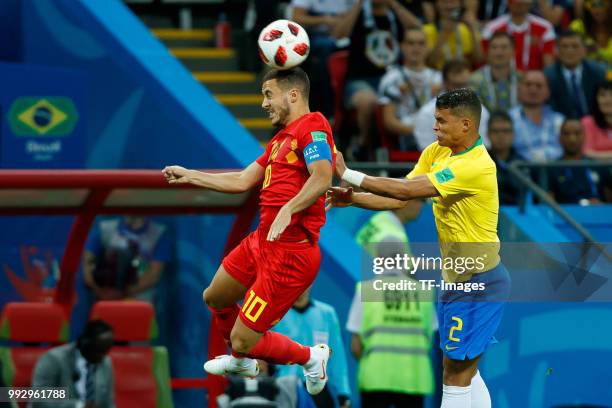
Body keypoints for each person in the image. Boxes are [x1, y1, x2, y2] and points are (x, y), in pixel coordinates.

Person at [328, 88, 511, 408]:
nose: (434, 126)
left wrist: (349, 175)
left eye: (441, 121)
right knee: (466, 369)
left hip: (479, 281)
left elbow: (408, 188)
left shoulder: (476, 166)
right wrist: (354, 198)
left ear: (466, 125)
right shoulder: (436, 152)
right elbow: (402, 196)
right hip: (459, 281)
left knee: (454, 373)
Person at [162, 67, 335, 396]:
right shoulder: (279, 141)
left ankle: (312, 357)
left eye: (268, 94)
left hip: (290, 255)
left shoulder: (313, 126)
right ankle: (241, 360)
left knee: (244, 339)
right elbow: (242, 180)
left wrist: (290, 207)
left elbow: (322, 177)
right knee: (215, 296)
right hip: (262, 242)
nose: (263, 103)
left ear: (293, 94)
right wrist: (192, 175)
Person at [346, 199, 435, 407]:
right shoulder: (393, 235)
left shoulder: (379, 220)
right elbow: (429, 337)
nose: (421, 206)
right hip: (413, 379)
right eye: (419, 201)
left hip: (375, 376)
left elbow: (356, 346)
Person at [332, 0, 422, 159]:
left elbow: (417, 28)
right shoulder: (358, 13)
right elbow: (338, 34)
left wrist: (394, 4)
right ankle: (363, 147)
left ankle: (405, 147)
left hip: (392, 77)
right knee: (368, 101)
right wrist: (359, 4)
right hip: (360, 80)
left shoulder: (394, 14)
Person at [274, 289, 351, 408]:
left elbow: (337, 357)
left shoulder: (327, 314)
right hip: (285, 390)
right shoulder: (276, 313)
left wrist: (343, 393)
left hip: (318, 390)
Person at [378, 27, 442, 150]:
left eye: (421, 43)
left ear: (428, 48)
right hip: (409, 139)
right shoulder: (392, 79)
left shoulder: (439, 79)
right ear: (402, 47)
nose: (416, 48)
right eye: (411, 43)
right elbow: (389, 121)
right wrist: (423, 132)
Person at [290, 0, 356, 118]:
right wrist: (324, 20)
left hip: (345, 36)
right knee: (326, 47)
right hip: (315, 37)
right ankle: (326, 108)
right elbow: (296, 17)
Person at [83, 216, 171, 303]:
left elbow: (153, 274)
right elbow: (86, 264)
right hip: (104, 301)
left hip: (141, 303)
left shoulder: (159, 233)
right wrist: (101, 292)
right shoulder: (104, 228)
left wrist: (122, 293)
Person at [30, 320, 115, 408]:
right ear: (85, 342)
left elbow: (108, 403)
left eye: (105, 351)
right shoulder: (53, 359)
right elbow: (39, 400)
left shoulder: (105, 362)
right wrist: (79, 406)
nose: (102, 357)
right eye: (98, 351)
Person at [414, 60, 490, 151]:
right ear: (445, 83)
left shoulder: (480, 111)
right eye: (457, 85)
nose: (461, 90)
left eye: (464, 85)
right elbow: (426, 149)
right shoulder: (427, 113)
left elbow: (483, 146)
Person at [544, 30, 607, 118]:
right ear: (557, 51)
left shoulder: (598, 72)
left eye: (575, 46)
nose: (570, 51)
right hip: (561, 125)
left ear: (584, 50)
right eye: (564, 46)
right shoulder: (548, 76)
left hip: (594, 124)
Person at [482, 0, 556, 70]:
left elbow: (548, 64)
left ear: (529, 4)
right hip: (503, 78)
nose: (519, 4)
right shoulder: (492, 28)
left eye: (522, 2)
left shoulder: (545, 27)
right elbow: (485, 59)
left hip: (532, 80)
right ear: (508, 3)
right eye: (516, 1)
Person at [509, 70, 565, 162]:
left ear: (548, 92)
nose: (533, 90)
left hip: (556, 170)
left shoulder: (560, 121)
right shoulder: (509, 119)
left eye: (539, 86)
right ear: (519, 89)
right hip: (519, 171)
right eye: (528, 85)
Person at [548, 119, 604, 204]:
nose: (572, 139)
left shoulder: (598, 166)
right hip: (564, 215)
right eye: (566, 134)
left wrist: (602, 206)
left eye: (577, 133)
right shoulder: (551, 169)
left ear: (584, 136)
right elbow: (548, 205)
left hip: (597, 215)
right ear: (559, 138)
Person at [423, 0, 484, 70]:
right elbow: (430, 64)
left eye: (453, 2)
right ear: (437, 4)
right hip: (438, 76)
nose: (449, 6)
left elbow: (479, 60)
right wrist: (443, 34)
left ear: (460, 5)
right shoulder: (426, 30)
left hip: (464, 76)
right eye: (444, 2)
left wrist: (472, 29)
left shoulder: (467, 29)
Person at [470, 32, 521, 113]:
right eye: (494, 47)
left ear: (514, 52)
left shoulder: (522, 80)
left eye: (504, 47)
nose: (499, 53)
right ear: (487, 52)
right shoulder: (475, 81)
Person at [487, 111, 522, 205]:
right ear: (488, 134)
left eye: (506, 131)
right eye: (495, 131)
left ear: (513, 134)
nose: (501, 136)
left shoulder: (523, 164)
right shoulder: (477, 162)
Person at [570, 0, 612, 68]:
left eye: (601, 4)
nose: (597, 10)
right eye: (592, 5)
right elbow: (570, 55)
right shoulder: (578, 27)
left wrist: (597, 50)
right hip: (586, 73)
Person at [581, 80, 612, 159]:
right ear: (596, 99)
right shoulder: (587, 122)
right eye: (602, 95)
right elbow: (586, 152)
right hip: (595, 169)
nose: (608, 100)